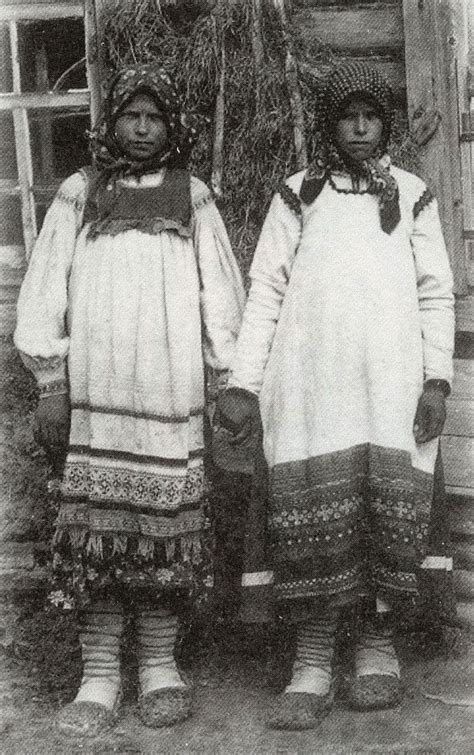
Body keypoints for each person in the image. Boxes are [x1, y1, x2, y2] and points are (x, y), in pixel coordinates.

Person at [218, 61, 455, 730]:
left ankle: (377, 649)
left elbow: (436, 290)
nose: (359, 125)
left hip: (389, 386)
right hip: (311, 388)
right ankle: (314, 658)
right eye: (348, 114)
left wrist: (436, 378)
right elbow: (265, 289)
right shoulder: (298, 194)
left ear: (385, 126)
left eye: (371, 115)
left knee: (383, 518)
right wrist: (243, 384)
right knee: (314, 521)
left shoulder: (411, 195)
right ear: (330, 122)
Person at [14, 64, 244, 736]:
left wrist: (226, 381)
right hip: (97, 402)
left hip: (170, 403)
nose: (142, 130)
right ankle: (98, 673)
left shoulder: (193, 197)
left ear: (173, 126)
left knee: (164, 536)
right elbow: (45, 290)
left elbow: (221, 299)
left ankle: (159, 666)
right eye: (130, 116)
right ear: (110, 122)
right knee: (95, 537)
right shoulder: (79, 194)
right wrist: (51, 385)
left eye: (155, 118)